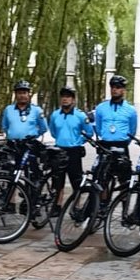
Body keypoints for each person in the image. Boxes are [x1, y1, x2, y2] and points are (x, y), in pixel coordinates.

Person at [49, 86, 92, 215]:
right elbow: (53, 131)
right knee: (58, 180)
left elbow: (89, 132)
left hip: (74, 151)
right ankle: (57, 205)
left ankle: (76, 205)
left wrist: (79, 142)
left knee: (76, 180)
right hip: (59, 150)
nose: (65, 99)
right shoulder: (55, 114)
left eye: (68, 97)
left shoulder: (80, 115)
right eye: (63, 96)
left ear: (73, 100)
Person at [93, 75, 138, 151]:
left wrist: (124, 141)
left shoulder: (131, 109)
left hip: (122, 145)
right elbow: (98, 128)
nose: (114, 89)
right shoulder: (100, 107)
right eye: (112, 87)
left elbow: (132, 130)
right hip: (105, 145)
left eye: (118, 87)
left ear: (123, 89)